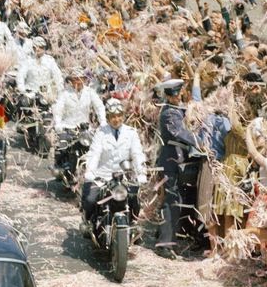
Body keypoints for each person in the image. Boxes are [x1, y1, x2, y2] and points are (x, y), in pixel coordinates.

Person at [81, 99, 147, 232]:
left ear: (123, 116)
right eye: (112, 117)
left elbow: (137, 154)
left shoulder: (131, 132)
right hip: (103, 176)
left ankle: (133, 223)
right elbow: (95, 153)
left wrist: (141, 173)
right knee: (90, 199)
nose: (116, 119)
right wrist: (90, 172)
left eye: (119, 116)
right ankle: (89, 223)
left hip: (124, 178)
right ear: (108, 117)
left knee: (134, 199)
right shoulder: (101, 132)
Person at [154, 78, 202, 256]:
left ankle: (166, 234)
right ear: (167, 95)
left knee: (177, 199)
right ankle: (164, 244)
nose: (175, 97)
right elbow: (179, 132)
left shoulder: (179, 108)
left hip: (179, 158)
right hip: (170, 159)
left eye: (177, 93)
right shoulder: (169, 113)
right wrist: (200, 142)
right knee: (171, 199)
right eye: (171, 95)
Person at [16, 37, 63, 102]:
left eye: (41, 47)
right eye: (35, 47)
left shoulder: (50, 61)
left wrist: (60, 93)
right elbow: (20, 75)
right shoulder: (27, 61)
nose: (38, 49)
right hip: (30, 94)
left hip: (46, 96)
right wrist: (22, 90)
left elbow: (58, 77)